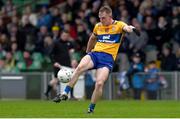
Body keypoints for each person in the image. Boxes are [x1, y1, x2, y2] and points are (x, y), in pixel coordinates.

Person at [53, 5, 140, 113]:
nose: (101, 20)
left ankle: (91, 109)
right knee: (80, 67)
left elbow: (126, 28)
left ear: (110, 16)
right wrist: (88, 51)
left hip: (107, 59)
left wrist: (131, 29)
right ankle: (65, 93)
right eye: (100, 18)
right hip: (95, 54)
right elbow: (92, 38)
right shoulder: (98, 26)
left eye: (103, 18)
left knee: (99, 83)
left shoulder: (118, 25)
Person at [44, 31, 73, 99]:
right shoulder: (56, 43)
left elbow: (72, 50)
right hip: (58, 65)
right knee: (56, 80)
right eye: (64, 35)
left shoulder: (69, 43)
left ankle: (71, 95)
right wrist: (54, 62)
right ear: (61, 35)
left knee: (71, 79)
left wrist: (72, 56)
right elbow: (50, 53)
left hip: (67, 64)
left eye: (66, 36)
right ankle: (47, 93)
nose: (65, 37)